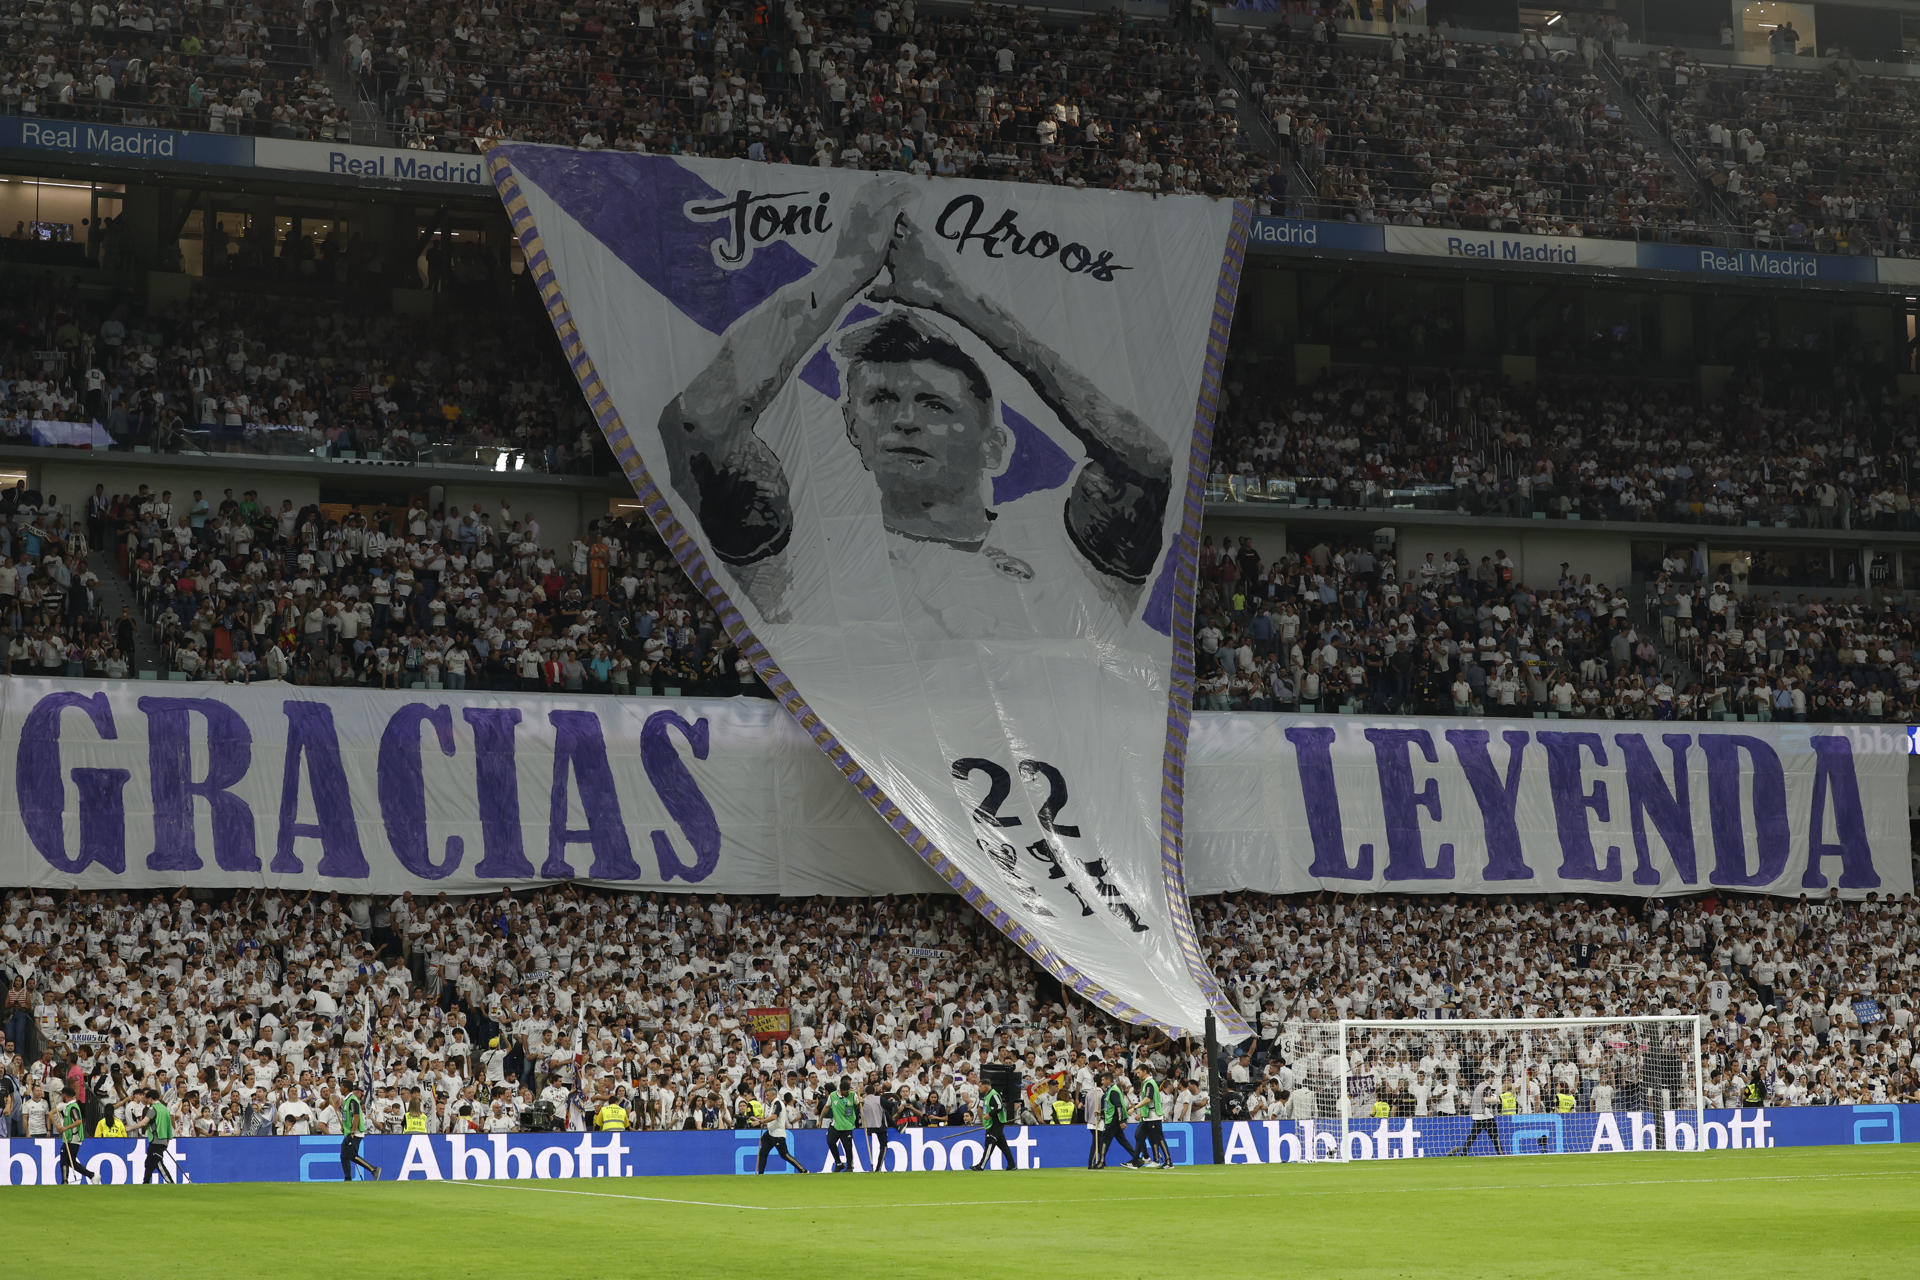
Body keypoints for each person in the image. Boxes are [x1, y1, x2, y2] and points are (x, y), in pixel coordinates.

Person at [660, 189, 1174, 642]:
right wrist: (844, 273)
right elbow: (700, 422)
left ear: (994, 446)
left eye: (934, 404)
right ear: (852, 429)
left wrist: (957, 301)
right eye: (880, 401)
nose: (904, 421)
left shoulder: (1062, 546)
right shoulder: (805, 554)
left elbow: (1144, 461)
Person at [1447, 1076, 1506, 1157]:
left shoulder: (1478, 1087)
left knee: (1472, 1136)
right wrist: (1497, 1100)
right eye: (1493, 1078)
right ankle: (1500, 1153)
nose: (1493, 1080)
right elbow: (1485, 1100)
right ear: (1491, 1077)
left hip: (1477, 1116)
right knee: (1494, 1135)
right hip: (1485, 1116)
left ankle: (1463, 1153)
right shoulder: (1487, 1087)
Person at [1097, 1071, 1143, 1169]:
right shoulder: (1112, 1090)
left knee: (1105, 1140)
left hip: (1113, 1120)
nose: (1102, 1081)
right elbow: (1111, 1106)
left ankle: (1101, 1162)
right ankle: (1137, 1159)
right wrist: (1101, 1113)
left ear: (1108, 1081)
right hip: (1115, 1119)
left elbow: (1118, 1106)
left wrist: (1121, 1121)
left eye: (1103, 1079)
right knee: (1123, 1141)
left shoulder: (1113, 1091)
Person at [970, 1071, 1016, 1171]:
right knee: (1003, 1146)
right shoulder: (987, 1095)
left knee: (989, 1143)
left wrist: (989, 1115)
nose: (979, 1088)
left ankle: (981, 1166)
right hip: (992, 1123)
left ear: (986, 1086)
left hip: (996, 1123)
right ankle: (1012, 1164)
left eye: (980, 1086)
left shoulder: (994, 1094)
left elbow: (999, 1107)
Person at [755, 1092, 807, 1174]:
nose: (766, 1097)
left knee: (785, 1155)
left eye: (768, 1095)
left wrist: (761, 1122)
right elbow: (772, 1120)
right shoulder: (772, 1104)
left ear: (774, 1095)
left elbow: (774, 1117)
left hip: (777, 1135)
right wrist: (763, 1121)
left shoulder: (777, 1103)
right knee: (763, 1152)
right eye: (765, 1096)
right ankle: (760, 1174)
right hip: (770, 1133)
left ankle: (803, 1170)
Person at [338, 1082, 381, 1181]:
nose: (340, 1088)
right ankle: (348, 1178)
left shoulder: (352, 1100)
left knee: (350, 1155)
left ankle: (373, 1169)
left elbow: (356, 1116)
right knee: (345, 1155)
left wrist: (352, 1131)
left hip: (355, 1133)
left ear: (346, 1088)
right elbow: (349, 1117)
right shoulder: (347, 1100)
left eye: (341, 1087)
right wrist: (345, 1127)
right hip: (351, 1132)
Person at [1133, 1065, 1171, 1168]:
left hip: (1154, 1116)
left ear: (1145, 1071)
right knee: (1143, 1136)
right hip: (1148, 1116)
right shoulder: (1147, 1083)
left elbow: (1148, 1099)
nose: (1137, 1075)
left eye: (1138, 1072)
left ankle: (1168, 1162)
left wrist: (1135, 1107)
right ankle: (1153, 1159)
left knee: (1159, 1138)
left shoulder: (1149, 1083)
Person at [56, 1083, 95, 1184]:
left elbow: (78, 1121)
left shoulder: (73, 1107)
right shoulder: (69, 1107)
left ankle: (92, 1175)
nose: (61, 1097)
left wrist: (65, 1128)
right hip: (70, 1137)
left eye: (62, 1095)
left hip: (74, 1137)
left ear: (66, 1096)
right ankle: (65, 1180)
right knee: (66, 1159)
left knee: (68, 1160)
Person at [140, 1088, 175, 1184]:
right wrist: (167, 1141)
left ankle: (171, 1182)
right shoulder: (164, 1109)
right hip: (162, 1140)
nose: (146, 1101)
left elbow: (144, 1123)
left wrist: (130, 1128)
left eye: (147, 1099)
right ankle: (145, 1183)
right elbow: (169, 1126)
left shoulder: (153, 1108)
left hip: (156, 1140)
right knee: (148, 1163)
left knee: (158, 1163)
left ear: (150, 1098)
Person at [825, 1076, 859, 1171]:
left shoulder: (853, 1095)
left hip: (848, 1125)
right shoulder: (833, 1095)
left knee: (848, 1148)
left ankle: (849, 1166)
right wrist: (820, 1119)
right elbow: (826, 1107)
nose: (848, 1092)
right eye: (846, 1091)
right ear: (840, 1090)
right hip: (836, 1125)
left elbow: (858, 1105)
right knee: (830, 1142)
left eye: (848, 1090)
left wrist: (861, 1102)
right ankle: (838, 1163)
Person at [861, 1085, 893, 1173]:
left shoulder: (862, 1101)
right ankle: (878, 1168)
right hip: (880, 1126)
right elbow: (890, 1106)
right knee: (883, 1146)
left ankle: (866, 1165)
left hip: (867, 1127)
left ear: (866, 1092)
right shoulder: (879, 1099)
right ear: (874, 1091)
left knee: (866, 1146)